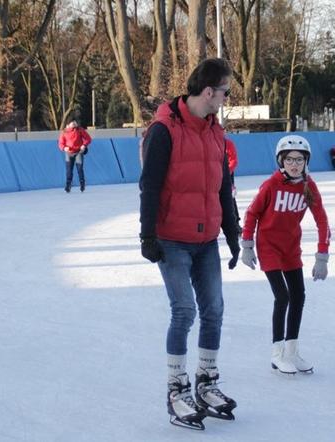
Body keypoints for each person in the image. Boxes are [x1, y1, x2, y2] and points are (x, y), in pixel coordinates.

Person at [138, 57, 241, 430]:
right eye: (226, 91)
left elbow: (222, 189)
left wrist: (232, 233)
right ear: (209, 91)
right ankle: (176, 388)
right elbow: (149, 185)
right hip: (172, 240)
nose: (227, 98)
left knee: (213, 310)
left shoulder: (216, 131)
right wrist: (147, 235)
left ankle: (206, 382)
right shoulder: (164, 130)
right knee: (184, 312)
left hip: (206, 239)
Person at [240, 135, 330, 376]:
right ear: (281, 160)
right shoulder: (270, 185)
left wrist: (322, 257)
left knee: (298, 296)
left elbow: (322, 220)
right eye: (289, 159)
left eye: (299, 159)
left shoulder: (308, 186)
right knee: (282, 296)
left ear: (305, 161)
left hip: (291, 247)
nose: (294, 164)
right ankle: (277, 354)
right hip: (268, 246)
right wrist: (247, 245)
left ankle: (292, 350)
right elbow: (252, 213)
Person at [58, 119, 92, 193]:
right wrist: (64, 148)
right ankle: (68, 185)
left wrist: (84, 145)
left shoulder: (80, 130)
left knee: (80, 169)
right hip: (69, 153)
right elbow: (60, 143)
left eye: (75, 122)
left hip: (78, 152)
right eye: (72, 123)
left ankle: (82, 184)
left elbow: (88, 139)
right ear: (68, 125)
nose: (74, 124)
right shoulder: (64, 132)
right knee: (69, 170)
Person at [225, 137, 242, 229]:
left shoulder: (228, 143)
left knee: (230, 198)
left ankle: (235, 223)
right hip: (212, 174)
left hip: (226, 174)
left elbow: (234, 160)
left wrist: (227, 172)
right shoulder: (209, 142)